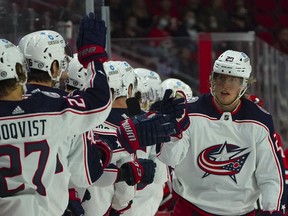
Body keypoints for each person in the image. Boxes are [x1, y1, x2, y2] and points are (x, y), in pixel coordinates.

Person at [157, 50, 287, 215]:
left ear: (244, 84)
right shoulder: (188, 112)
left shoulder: (259, 120)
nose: (225, 85)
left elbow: (271, 175)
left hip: (241, 212)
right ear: (212, 79)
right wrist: (174, 131)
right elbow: (170, 159)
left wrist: (273, 209)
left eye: (232, 79)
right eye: (221, 77)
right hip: (190, 208)